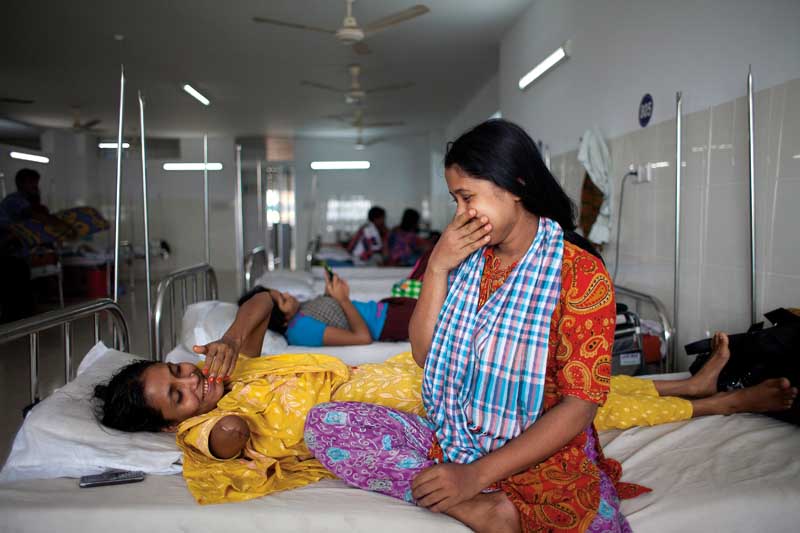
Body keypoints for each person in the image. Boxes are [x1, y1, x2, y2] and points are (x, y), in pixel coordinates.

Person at [302, 119, 749, 532]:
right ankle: (474, 506)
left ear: (515, 185)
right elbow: (425, 355)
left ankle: (489, 499)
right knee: (326, 423)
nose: (461, 213)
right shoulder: (465, 259)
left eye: (467, 197)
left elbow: (579, 407)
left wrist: (476, 474)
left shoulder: (579, 274)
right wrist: (437, 267)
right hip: (455, 433)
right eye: (456, 200)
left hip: (541, 449)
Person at [222, 273, 415, 357]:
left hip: (390, 309)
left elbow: (328, 316)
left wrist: (330, 295)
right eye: (283, 299)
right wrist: (343, 300)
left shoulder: (301, 313)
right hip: (390, 322)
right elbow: (362, 338)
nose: (289, 295)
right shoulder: (300, 331)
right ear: (282, 319)